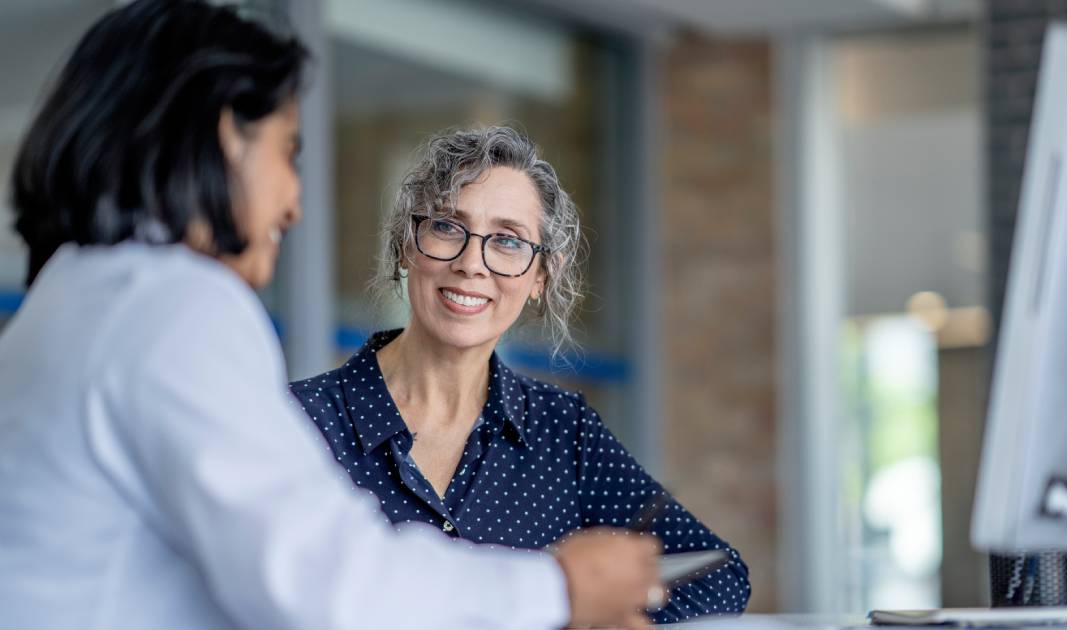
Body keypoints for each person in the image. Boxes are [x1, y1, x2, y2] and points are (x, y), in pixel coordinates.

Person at [0, 2, 662, 629]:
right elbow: (331, 588)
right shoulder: (175, 307)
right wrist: (560, 587)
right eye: (287, 152)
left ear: (543, 275)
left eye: (509, 241)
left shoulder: (69, 300)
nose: (294, 204)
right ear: (230, 137)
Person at [289, 126, 752, 624]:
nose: (472, 264)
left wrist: (598, 614)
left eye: (507, 241)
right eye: (447, 227)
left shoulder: (564, 432)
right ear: (408, 244)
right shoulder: (298, 422)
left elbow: (720, 574)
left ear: (540, 278)